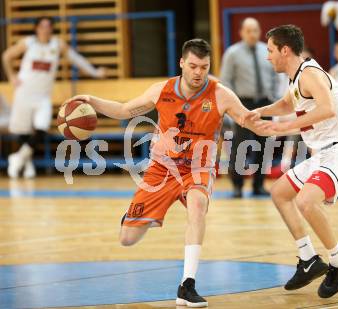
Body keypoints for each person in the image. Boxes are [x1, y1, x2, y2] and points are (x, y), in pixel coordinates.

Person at [65, 39, 268, 308]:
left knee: (197, 205)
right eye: (193, 66)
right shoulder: (162, 90)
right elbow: (125, 109)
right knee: (127, 239)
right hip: (162, 168)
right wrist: (91, 100)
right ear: (182, 63)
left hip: (198, 168)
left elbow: (246, 119)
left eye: (204, 67)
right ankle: (135, 217)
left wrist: (283, 121)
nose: (198, 72)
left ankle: (187, 285)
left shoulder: (221, 94)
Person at [247, 25, 338, 298]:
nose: (268, 56)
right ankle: (309, 259)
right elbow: (287, 104)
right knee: (279, 193)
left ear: (285, 50)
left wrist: (280, 127)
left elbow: (327, 109)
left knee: (305, 201)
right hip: (325, 152)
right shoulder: (297, 76)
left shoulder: (310, 74)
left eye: (270, 50)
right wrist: (260, 112)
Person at [2, 16, 105, 178]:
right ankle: (26, 165)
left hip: (43, 96)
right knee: (23, 132)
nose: (45, 29)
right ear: (36, 28)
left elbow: (76, 59)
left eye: (48, 26)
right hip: (24, 93)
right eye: (42, 25)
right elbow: (6, 56)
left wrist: (94, 72)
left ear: (52, 28)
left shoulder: (57, 45)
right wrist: (11, 76)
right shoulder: (28, 43)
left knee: (42, 128)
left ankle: (18, 157)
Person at [220, 17, 280, 198]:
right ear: (241, 32)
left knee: (265, 145)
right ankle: (237, 186)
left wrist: (274, 100)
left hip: (265, 104)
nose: (252, 34)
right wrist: (232, 108)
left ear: (260, 31)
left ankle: (258, 185)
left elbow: (276, 75)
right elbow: (226, 81)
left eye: (255, 30)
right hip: (243, 104)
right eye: (248, 31)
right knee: (241, 146)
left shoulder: (267, 50)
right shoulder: (232, 53)